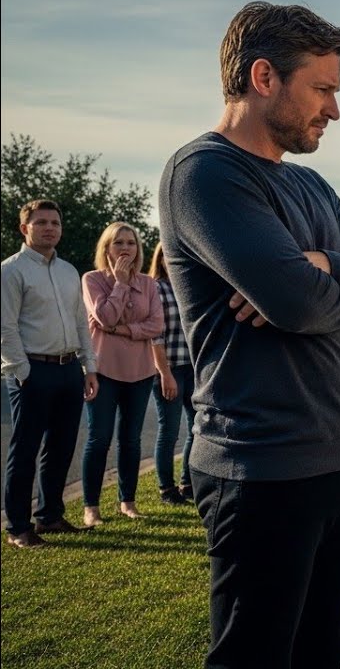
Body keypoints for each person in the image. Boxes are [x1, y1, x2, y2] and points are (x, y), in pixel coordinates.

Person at [157, 1, 340, 668]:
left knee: (319, 655)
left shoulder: (312, 186)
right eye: (322, 89)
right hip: (258, 469)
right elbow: (299, 304)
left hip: (335, 461)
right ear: (264, 77)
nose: (335, 109)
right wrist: (315, 286)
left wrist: (327, 267)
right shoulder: (205, 174)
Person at [2, 199, 99, 548]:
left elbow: (80, 323)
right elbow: (5, 327)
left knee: (60, 447)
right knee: (25, 449)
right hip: (31, 372)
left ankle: (50, 516)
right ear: (24, 228)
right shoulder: (10, 271)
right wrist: (23, 371)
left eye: (55, 223)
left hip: (69, 369)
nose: (49, 228)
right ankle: (17, 527)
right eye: (41, 222)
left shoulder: (68, 271)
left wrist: (89, 367)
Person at [81, 221, 163, 526]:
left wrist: (123, 330)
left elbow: (157, 325)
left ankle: (127, 501)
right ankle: (91, 508)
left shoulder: (149, 284)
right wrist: (119, 282)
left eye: (131, 243)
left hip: (140, 372)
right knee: (99, 438)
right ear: (106, 248)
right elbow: (103, 317)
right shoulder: (92, 280)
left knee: (131, 439)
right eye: (119, 243)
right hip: (103, 370)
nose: (126, 248)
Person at [148, 244, 197, 505]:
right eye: (167, 256)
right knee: (169, 431)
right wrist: (164, 373)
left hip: (193, 368)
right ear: (160, 259)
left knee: (197, 427)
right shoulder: (155, 288)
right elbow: (154, 336)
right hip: (168, 369)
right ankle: (166, 489)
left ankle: (187, 483)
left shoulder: (187, 287)